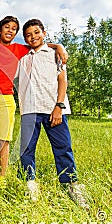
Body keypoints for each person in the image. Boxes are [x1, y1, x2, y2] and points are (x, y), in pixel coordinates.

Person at [0, 16, 68, 190]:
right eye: (6, 27)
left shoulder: (24, 50)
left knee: (5, 140)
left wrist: (58, 46)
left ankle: (3, 177)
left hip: (14, 99)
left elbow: (41, 46)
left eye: (14, 28)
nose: (10, 30)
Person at [17, 18, 89, 209]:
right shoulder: (22, 57)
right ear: (25, 38)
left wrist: (59, 106)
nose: (33, 37)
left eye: (36, 32)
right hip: (29, 110)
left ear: (44, 33)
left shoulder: (55, 54)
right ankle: (30, 185)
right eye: (28, 35)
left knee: (63, 148)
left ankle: (72, 185)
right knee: (26, 151)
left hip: (53, 109)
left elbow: (62, 80)